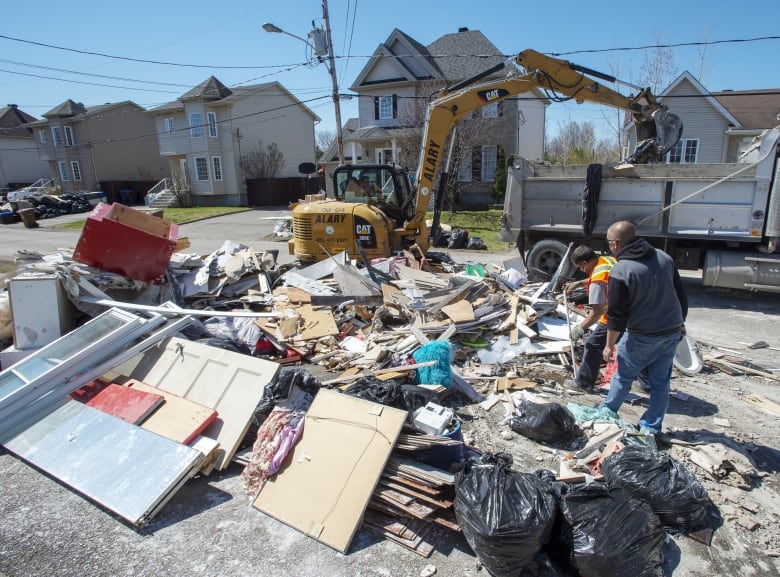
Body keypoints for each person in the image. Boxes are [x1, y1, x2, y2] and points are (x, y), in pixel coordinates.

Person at [599, 221, 688, 435]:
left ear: (614, 244)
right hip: (671, 332)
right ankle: (651, 427)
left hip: (643, 336)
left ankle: (607, 413)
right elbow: (680, 296)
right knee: (660, 384)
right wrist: (681, 323)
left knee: (624, 377)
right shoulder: (663, 257)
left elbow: (616, 314)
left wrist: (609, 346)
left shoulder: (621, 269)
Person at [564, 245, 616, 392]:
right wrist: (580, 283)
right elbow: (602, 277)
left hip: (613, 316)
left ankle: (583, 383)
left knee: (593, 345)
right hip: (631, 311)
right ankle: (645, 383)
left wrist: (580, 328)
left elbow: (597, 312)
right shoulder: (607, 260)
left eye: (580, 267)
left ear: (584, 263)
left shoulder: (597, 281)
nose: (581, 271)